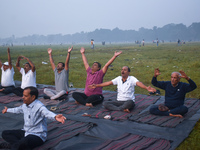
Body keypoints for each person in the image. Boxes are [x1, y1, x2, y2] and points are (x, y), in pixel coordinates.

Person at [0, 86, 66, 150]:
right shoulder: (25, 105)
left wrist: (55, 116)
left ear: (33, 97)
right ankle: (18, 146)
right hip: (26, 132)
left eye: (25, 96)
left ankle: (13, 146)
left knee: (24, 141)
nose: (23, 97)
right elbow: (18, 109)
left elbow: (47, 113)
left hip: (37, 136)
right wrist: (7, 110)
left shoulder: (39, 106)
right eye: (23, 95)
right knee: (5, 133)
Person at [89, 66, 156, 112]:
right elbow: (109, 83)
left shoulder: (132, 78)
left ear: (128, 72)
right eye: (122, 69)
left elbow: (138, 83)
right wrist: (97, 85)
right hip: (118, 101)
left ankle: (120, 108)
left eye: (125, 70)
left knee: (130, 103)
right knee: (105, 103)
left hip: (128, 101)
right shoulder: (118, 78)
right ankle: (122, 109)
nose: (122, 71)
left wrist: (146, 88)